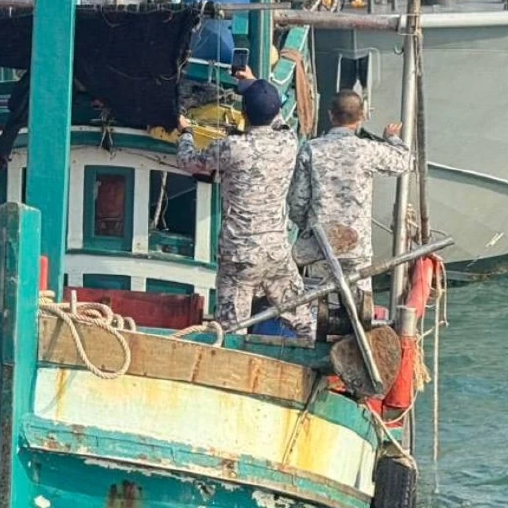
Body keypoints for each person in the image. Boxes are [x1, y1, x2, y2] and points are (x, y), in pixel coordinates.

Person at [175, 68, 316, 337]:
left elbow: (188, 161)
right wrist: (251, 82)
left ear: (243, 115)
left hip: (239, 255)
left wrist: (187, 132)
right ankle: (313, 363)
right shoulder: (288, 141)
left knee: (230, 330)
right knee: (302, 320)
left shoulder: (231, 148)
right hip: (275, 251)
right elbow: (278, 118)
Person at [288, 90, 412, 294]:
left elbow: (297, 201)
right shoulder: (366, 150)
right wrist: (392, 138)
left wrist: (307, 226)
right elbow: (405, 162)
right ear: (361, 117)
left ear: (330, 115)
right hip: (357, 245)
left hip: (320, 243)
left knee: (317, 301)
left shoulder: (311, 149)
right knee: (360, 301)